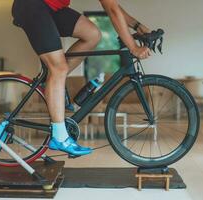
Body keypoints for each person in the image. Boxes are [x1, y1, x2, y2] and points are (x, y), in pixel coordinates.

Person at [12, 0, 151, 156]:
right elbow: (111, 9)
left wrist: (138, 26)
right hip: (32, 5)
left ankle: (50, 83)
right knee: (59, 68)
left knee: (92, 34)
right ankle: (59, 137)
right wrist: (133, 47)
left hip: (53, 8)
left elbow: (113, 6)